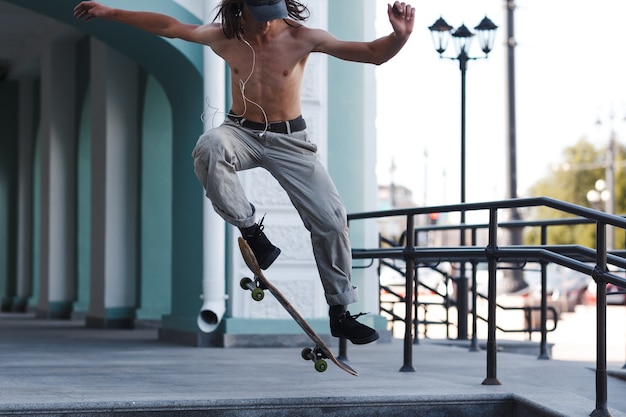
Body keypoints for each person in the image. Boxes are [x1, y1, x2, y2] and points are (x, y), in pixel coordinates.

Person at [74, 0, 415, 345]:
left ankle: (340, 312)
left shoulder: (303, 38)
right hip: (240, 132)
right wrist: (111, 12)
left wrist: (398, 37)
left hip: (290, 141)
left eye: (274, 15)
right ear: (242, 8)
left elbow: (371, 52)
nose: (269, 24)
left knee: (332, 219)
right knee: (209, 147)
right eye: (260, 17)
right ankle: (253, 233)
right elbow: (168, 26)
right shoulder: (225, 37)